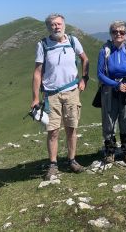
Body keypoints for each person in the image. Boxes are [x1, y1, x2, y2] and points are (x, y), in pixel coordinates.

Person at [31, 13, 89, 180]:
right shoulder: (42, 45)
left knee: (72, 128)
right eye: (52, 25)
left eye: (58, 24)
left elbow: (85, 59)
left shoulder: (72, 41)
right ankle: (53, 164)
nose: (56, 27)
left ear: (64, 25)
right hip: (51, 95)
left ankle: (72, 160)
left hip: (72, 92)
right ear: (48, 27)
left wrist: (84, 78)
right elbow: (37, 72)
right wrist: (35, 98)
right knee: (53, 131)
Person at [97, 20, 126, 165]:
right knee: (109, 122)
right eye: (115, 32)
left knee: (125, 120)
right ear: (111, 34)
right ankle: (110, 152)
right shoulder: (105, 51)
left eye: (122, 32)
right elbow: (100, 74)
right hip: (109, 90)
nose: (118, 34)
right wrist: (116, 85)